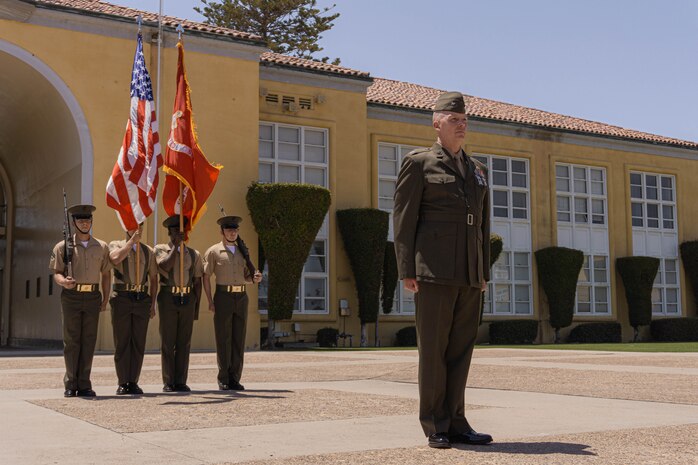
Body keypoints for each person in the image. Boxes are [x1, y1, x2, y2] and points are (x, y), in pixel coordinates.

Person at [393, 91, 492, 449]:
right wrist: (407, 268)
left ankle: (458, 421)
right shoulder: (419, 163)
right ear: (436, 123)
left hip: (468, 272)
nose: (461, 125)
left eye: (465, 120)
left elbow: (482, 224)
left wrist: (482, 272)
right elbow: (403, 219)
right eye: (454, 120)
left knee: (461, 350)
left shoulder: (478, 170)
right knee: (433, 349)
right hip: (432, 270)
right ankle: (435, 422)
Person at [49, 204, 111, 397]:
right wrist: (63, 282)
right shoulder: (62, 246)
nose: (85, 223)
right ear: (74, 223)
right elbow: (56, 273)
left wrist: (105, 298)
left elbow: (107, 274)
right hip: (72, 296)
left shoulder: (101, 246)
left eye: (87, 220)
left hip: (93, 296)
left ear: (91, 222)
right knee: (71, 341)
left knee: (89, 340)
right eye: (80, 220)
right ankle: (71, 383)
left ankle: (84, 383)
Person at [202, 216, 262, 391]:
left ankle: (235, 378)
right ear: (222, 232)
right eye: (229, 230)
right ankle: (224, 378)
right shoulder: (214, 251)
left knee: (238, 338)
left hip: (241, 297)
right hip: (223, 296)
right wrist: (210, 300)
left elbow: (246, 276)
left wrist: (255, 278)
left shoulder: (242, 252)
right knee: (223, 339)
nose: (233, 233)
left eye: (235, 230)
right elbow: (206, 276)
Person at [108, 223, 159, 395]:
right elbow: (114, 259)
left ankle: (133, 381)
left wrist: (152, 303)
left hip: (141, 298)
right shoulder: (116, 244)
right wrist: (131, 242)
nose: (137, 229)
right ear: (125, 227)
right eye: (133, 226)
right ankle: (123, 382)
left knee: (138, 342)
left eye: (140, 226)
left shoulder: (148, 251)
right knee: (122, 342)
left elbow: (153, 278)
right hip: (122, 297)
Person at [155, 215, 203, 393]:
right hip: (168, 296)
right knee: (168, 342)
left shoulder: (193, 254)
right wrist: (175, 246)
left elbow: (197, 281)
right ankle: (169, 381)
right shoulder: (161, 249)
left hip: (187, 298)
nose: (178, 233)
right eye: (175, 231)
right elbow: (165, 267)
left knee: (184, 342)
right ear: (169, 232)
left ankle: (181, 380)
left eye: (181, 231)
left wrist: (196, 306)